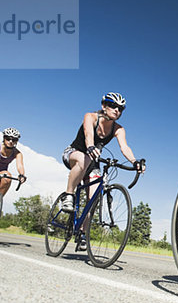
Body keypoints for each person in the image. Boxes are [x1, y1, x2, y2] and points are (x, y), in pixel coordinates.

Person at [61, 92, 145, 250]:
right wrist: (90, 146)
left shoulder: (118, 129)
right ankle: (69, 195)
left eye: (120, 108)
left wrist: (135, 162)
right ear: (104, 106)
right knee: (82, 159)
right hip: (73, 153)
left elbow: (124, 147)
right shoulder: (91, 117)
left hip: (92, 161)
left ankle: (81, 233)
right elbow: (88, 134)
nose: (116, 110)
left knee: (93, 198)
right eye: (113, 106)